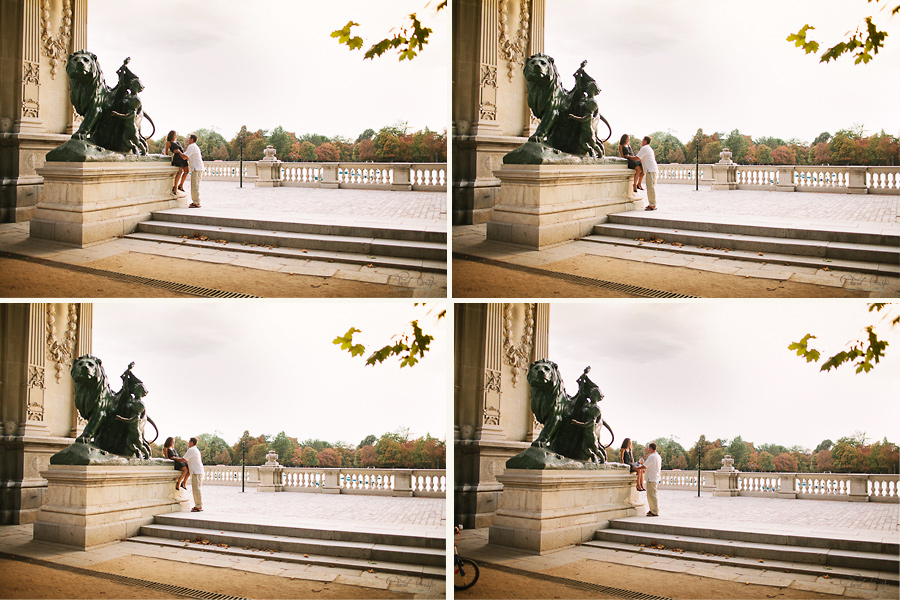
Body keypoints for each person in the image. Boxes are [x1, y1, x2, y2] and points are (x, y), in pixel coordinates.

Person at [636, 135, 659, 210]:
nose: (641, 141)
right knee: (651, 188)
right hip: (652, 170)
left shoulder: (644, 148)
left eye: (642, 140)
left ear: (645, 141)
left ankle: (652, 205)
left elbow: (637, 158)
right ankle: (652, 204)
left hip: (651, 170)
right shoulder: (648, 148)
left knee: (651, 188)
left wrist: (628, 157)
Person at [183, 134, 204, 208]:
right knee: (195, 185)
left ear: (192, 139)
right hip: (197, 168)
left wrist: (178, 152)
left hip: (196, 168)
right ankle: (195, 201)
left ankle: (196, 202)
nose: (188, 140)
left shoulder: (191, 146)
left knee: (195, 185)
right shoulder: (194, 146)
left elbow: (184, 156)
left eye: (189, 138)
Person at [183, 436, 204, 511]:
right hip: (197, 471)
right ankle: (198, 505)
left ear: (192, 442)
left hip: (196, 472)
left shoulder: (191, 450)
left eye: (189, 441)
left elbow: (183, 459)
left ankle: (198, 506)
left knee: (196, 489)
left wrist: (174, 459)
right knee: (196, 489)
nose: (188, 443)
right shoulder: (195, 449)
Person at [644, 442, 662, 516]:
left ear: (650, 448)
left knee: (652, 495)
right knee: (651, 495)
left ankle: (654, 511)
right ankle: (652, 509)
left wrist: (637, 468)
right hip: (655, 477)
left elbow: (645, 466)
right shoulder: (658, 456)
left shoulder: (652, 457)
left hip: (651, 478)